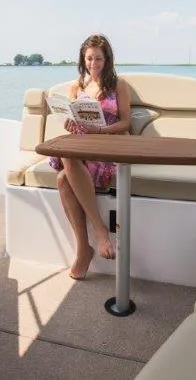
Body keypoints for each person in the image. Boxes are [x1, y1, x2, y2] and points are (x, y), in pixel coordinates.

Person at [49, 33, 131, 280]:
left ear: (107, 60)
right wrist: (71, 124)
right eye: (89, 59)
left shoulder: (119, 85)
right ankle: (89, 242)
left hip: (106, 145)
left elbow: (126, 122)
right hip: (81, 143)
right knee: (66, 163)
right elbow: (72, 117)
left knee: (64, 176)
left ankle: (93, 239)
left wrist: (101, 129)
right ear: (83, 60)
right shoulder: (76, 87)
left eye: (98, 59)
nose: (93, 64)